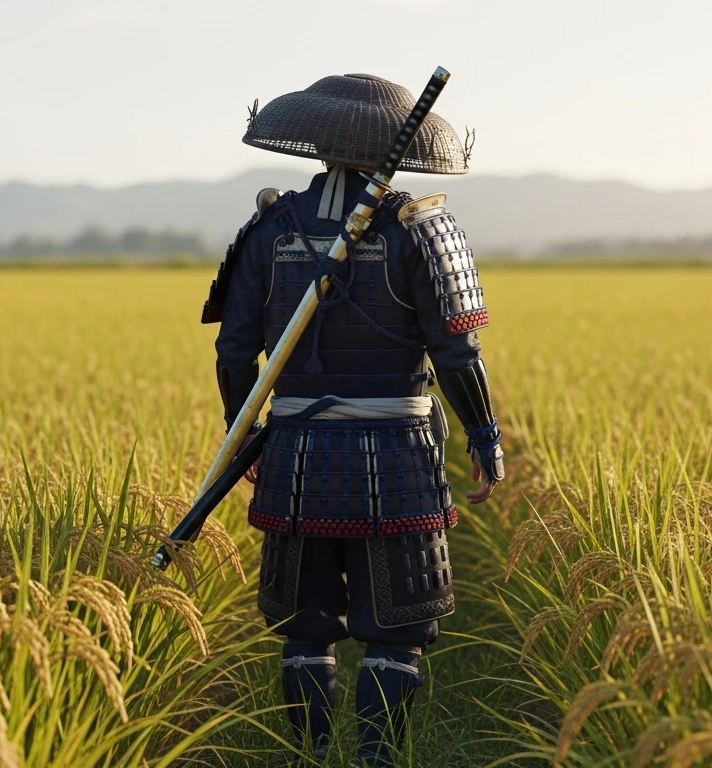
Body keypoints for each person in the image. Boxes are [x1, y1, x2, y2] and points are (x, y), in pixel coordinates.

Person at [203, 73, 505, 767]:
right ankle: (376, 760)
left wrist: (243, 436)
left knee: (305, 626)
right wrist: (484, 437)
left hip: (294, 452)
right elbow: (457, 353)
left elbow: (233, 350)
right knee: (397, 630)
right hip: (397, 456)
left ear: (320, 144)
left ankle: (309, 757)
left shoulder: (269, 228)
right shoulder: (421, 228)